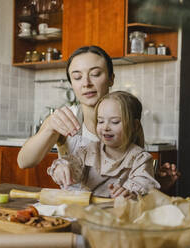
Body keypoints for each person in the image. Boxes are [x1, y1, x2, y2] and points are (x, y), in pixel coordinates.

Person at [17, 45, 179, 193]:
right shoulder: (64, 119)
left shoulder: (126, 116)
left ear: (111, 78)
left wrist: (154, 182)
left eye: (95, 74)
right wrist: (49, 127)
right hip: (75, 207)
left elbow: (132, 175)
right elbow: (24, 162)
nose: (86, 83)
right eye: (77, 77)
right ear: (72, 83)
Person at [47, 91, 160, 198]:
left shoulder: (140, 158)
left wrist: (130, 193)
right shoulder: (89, 150)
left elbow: (144, 186)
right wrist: (61, 168)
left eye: (115, 122)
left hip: (120, 215)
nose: (105, 127)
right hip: (87, 213)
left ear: (134, 126)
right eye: (100, 121)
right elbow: (73, 165)